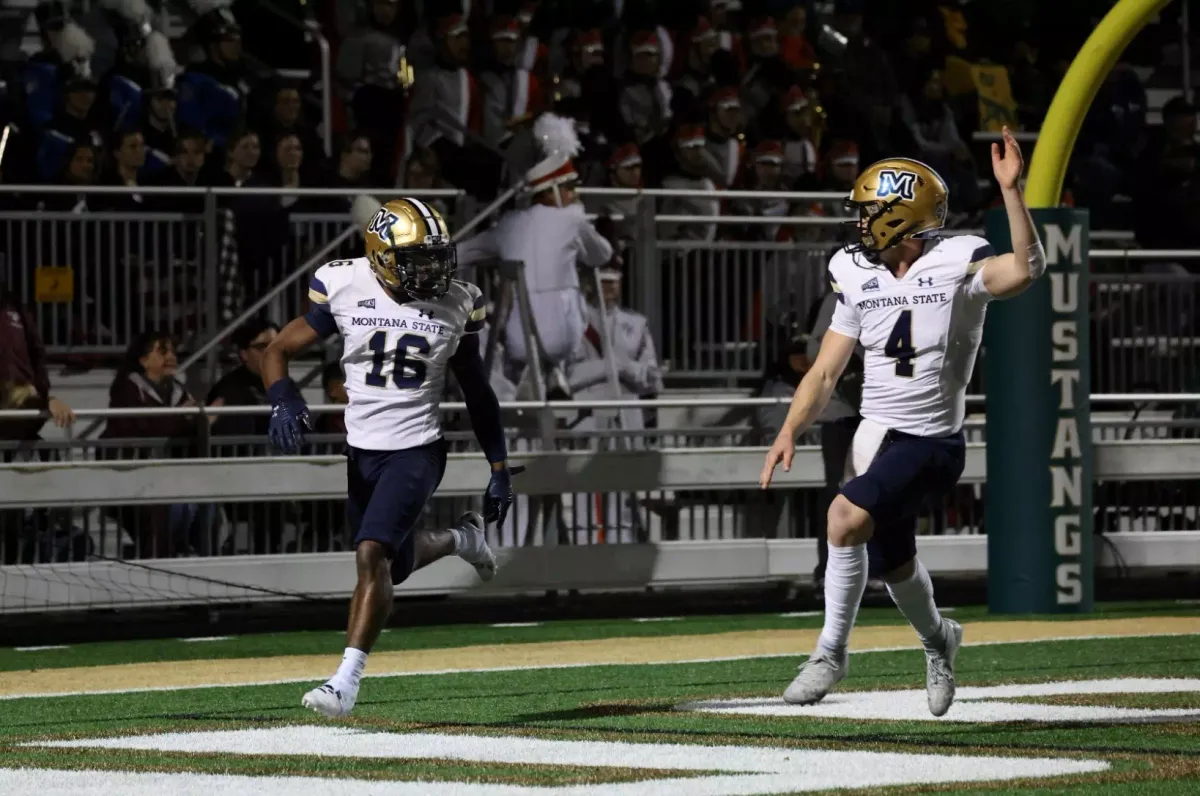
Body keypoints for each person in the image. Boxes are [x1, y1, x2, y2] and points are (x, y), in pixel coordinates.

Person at [760, 129, 1043, 717]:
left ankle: (830, 654)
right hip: (873, 437)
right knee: (895, 563)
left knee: (842, 518)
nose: (860, 225)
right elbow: (823, 373)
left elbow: (1026, 269)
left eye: (870, 213)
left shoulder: (955, 262)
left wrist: (1011, 193)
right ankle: (941, 639)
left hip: (932, 440)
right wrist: (789, 428)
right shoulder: (855, 274)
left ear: (900, 216)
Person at [262, 197, 518, 718]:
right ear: (381, 258)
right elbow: (276, 350)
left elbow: (477, 390)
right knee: (392, 566)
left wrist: (498, 466)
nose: (432, 272)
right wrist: (283, 397)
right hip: (361, 454)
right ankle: (460, 538)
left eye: (435, 258)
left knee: (371, 553)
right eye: (417, 261)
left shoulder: (457, 301)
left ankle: (345, 682)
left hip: (417, 450)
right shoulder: (344, 283)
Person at [455, 124, 613, 396]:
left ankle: (535, 377)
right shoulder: (573, 218)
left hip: (521, 338)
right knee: (572, 295)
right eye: (569, 188)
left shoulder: (509, 224)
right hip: (564, 336)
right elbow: (602, 256)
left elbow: (461, 254)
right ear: (552, 190)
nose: (574, 195)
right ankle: (555, 374)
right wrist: (599, 231)